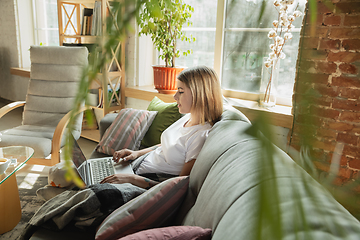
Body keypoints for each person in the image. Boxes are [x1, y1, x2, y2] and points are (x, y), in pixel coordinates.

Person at [100, 66, 223, 189]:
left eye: (180, 91)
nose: (175, 97)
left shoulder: (200, 136)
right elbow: (166, 146)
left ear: (199, 94)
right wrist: (136, 154)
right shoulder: (188, 117)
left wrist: (132, 180)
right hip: (137, 165)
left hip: (144, 182)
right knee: (91, 173)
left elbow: (179, 187)